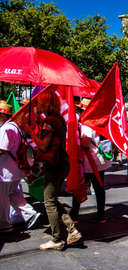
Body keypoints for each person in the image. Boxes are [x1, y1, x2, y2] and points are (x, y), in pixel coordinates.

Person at [22, 94, 81, 250]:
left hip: (54, 165)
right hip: (61, 163)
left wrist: (30, 132)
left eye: (39, 103)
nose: (37, 106)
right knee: (53, 199)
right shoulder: (58, 119)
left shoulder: (50, 121)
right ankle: (72, 230)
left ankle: (56, 239)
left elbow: (43, 146)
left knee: (48, 202)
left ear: (46, 104)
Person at [0, 101, 40, 232]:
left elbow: (2, 149)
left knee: (3, 198)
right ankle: (30, 214)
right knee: (13, 194)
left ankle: (4, 224)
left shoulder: (6, 129)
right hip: (15, 169)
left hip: (6, 171)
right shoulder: (15, 127)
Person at [70, 99, 111, 223]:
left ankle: (74, 215)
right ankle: (101, 215)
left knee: (79, 187)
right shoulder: (97, 121)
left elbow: (86, 142)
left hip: (89, 161)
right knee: (99, 188)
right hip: (98, 161)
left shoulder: (87, 124)